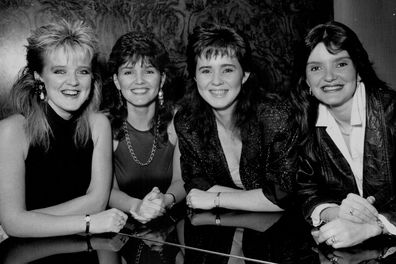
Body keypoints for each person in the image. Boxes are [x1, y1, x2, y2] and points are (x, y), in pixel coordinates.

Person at [0, 20, 128, 237]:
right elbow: (14, 223)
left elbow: (97, 202)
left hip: (85, 250)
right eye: (60, 71)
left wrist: (28, 221)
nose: (73, 82)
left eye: (83, 71)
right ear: (39, 75)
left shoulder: (98, 125)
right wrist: (88, 222)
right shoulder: (11, 131)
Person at [174, 23, 299, 212]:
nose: (216, 81)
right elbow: (196, 184)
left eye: (227, 70)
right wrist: (259, 198)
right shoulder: (187, 121)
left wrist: (216, 199)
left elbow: (283, 195)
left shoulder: (276, 117)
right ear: (194, 77)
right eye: (206, 70)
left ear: (244, 75)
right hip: (228, 227)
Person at [292, 21, 396, 248]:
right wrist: (336, 213)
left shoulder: (392, 112)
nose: (329, 77)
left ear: (358, 70)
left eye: (340, 64)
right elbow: (305, 190)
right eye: (316, 68)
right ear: (306, 79)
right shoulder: (305, 121)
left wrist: (374, 226)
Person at [103, 31, 185, 224]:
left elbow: (181, 180)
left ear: (162, 78)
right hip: (119, 232)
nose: (139, 80)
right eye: (128, 72)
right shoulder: (103, 125)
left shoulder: (178, 120)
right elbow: (107, 191)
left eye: (149, 71)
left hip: (172, 227)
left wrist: (166, 200)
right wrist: (138, 206)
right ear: (117, 80)